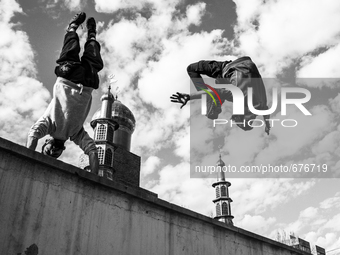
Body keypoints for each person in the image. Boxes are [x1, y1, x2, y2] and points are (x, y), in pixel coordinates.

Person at [26, 12, 104, 174]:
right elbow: (92, 151)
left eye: (47, 151)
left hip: (69, 78)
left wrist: (29, 159)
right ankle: (91, 34)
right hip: (88, 83)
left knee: (71, 47)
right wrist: (96, 180)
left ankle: (73, 27)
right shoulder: (75, 134)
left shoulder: (48, 125)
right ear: (62, 150)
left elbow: (33, 134)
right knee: (93, 55)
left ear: (46, 141)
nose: (53, 152)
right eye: (56, 154)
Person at [170, 56, 271, 134]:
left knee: (221, 90)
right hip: (229, 68)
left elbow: (266, 113)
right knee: (191, 69)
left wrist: (267, 124)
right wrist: (189, 97)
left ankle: (213, 100)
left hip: (246, 64)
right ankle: (208, 98)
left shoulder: (260, 107)